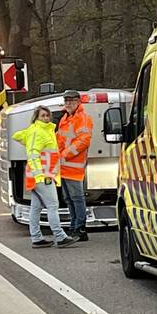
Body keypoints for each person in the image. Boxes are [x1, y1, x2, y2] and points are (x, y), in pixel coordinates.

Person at [12, 105, 78, 249]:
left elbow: (18, 136)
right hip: (43, 176)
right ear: (36, 118)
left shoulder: (39, 131)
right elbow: (33, 154)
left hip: (39, 175)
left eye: (47, 115)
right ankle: (60, 236)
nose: (46, 118)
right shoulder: (38, 132)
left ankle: (36, 238)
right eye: (42, 116)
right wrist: (39, 175)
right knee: (53, 205)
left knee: (36, 208)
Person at [57, 90, 93, 241]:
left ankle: (80, 228)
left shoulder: (83, 118)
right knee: (69, 198)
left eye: (72, 100)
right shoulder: (65, 118)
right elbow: (59, 139)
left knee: (77, 198)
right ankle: (74, 226)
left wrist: (64, 154)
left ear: (79, 102)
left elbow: (84, 140)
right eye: (66, 101)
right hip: (63, 165)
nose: (69, 103)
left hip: (73, 165)